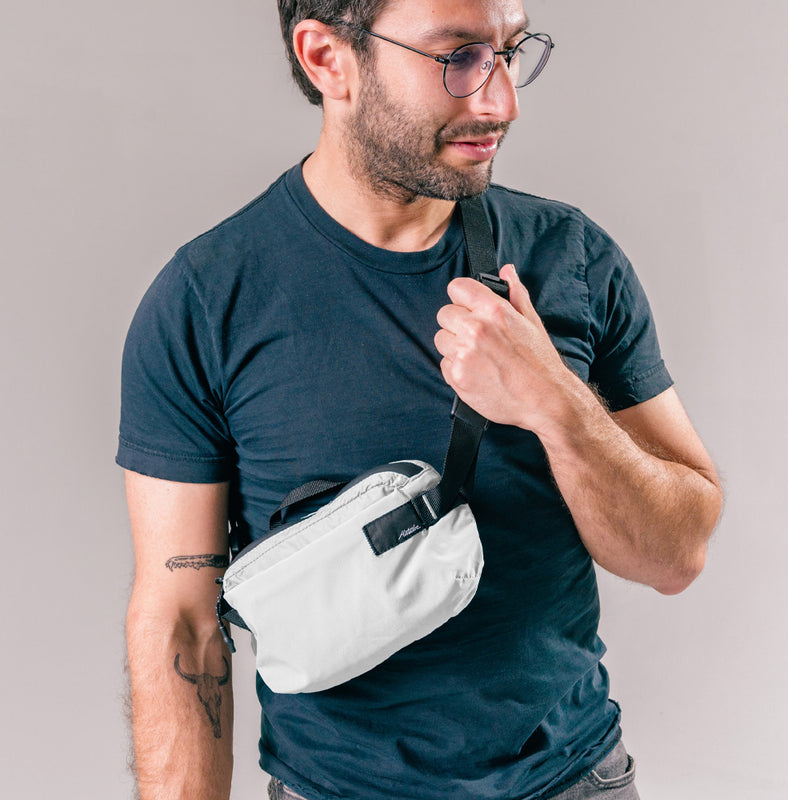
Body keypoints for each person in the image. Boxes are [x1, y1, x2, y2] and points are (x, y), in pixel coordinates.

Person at [118, 1, 722, 798]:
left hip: (574, 781)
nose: (503, 100)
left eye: (510, 52)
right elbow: (184, 626)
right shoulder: (207, 301)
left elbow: (676, 555)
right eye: (459, 56)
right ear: (327, 58)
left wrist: (555, 402)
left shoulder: (570, 257)